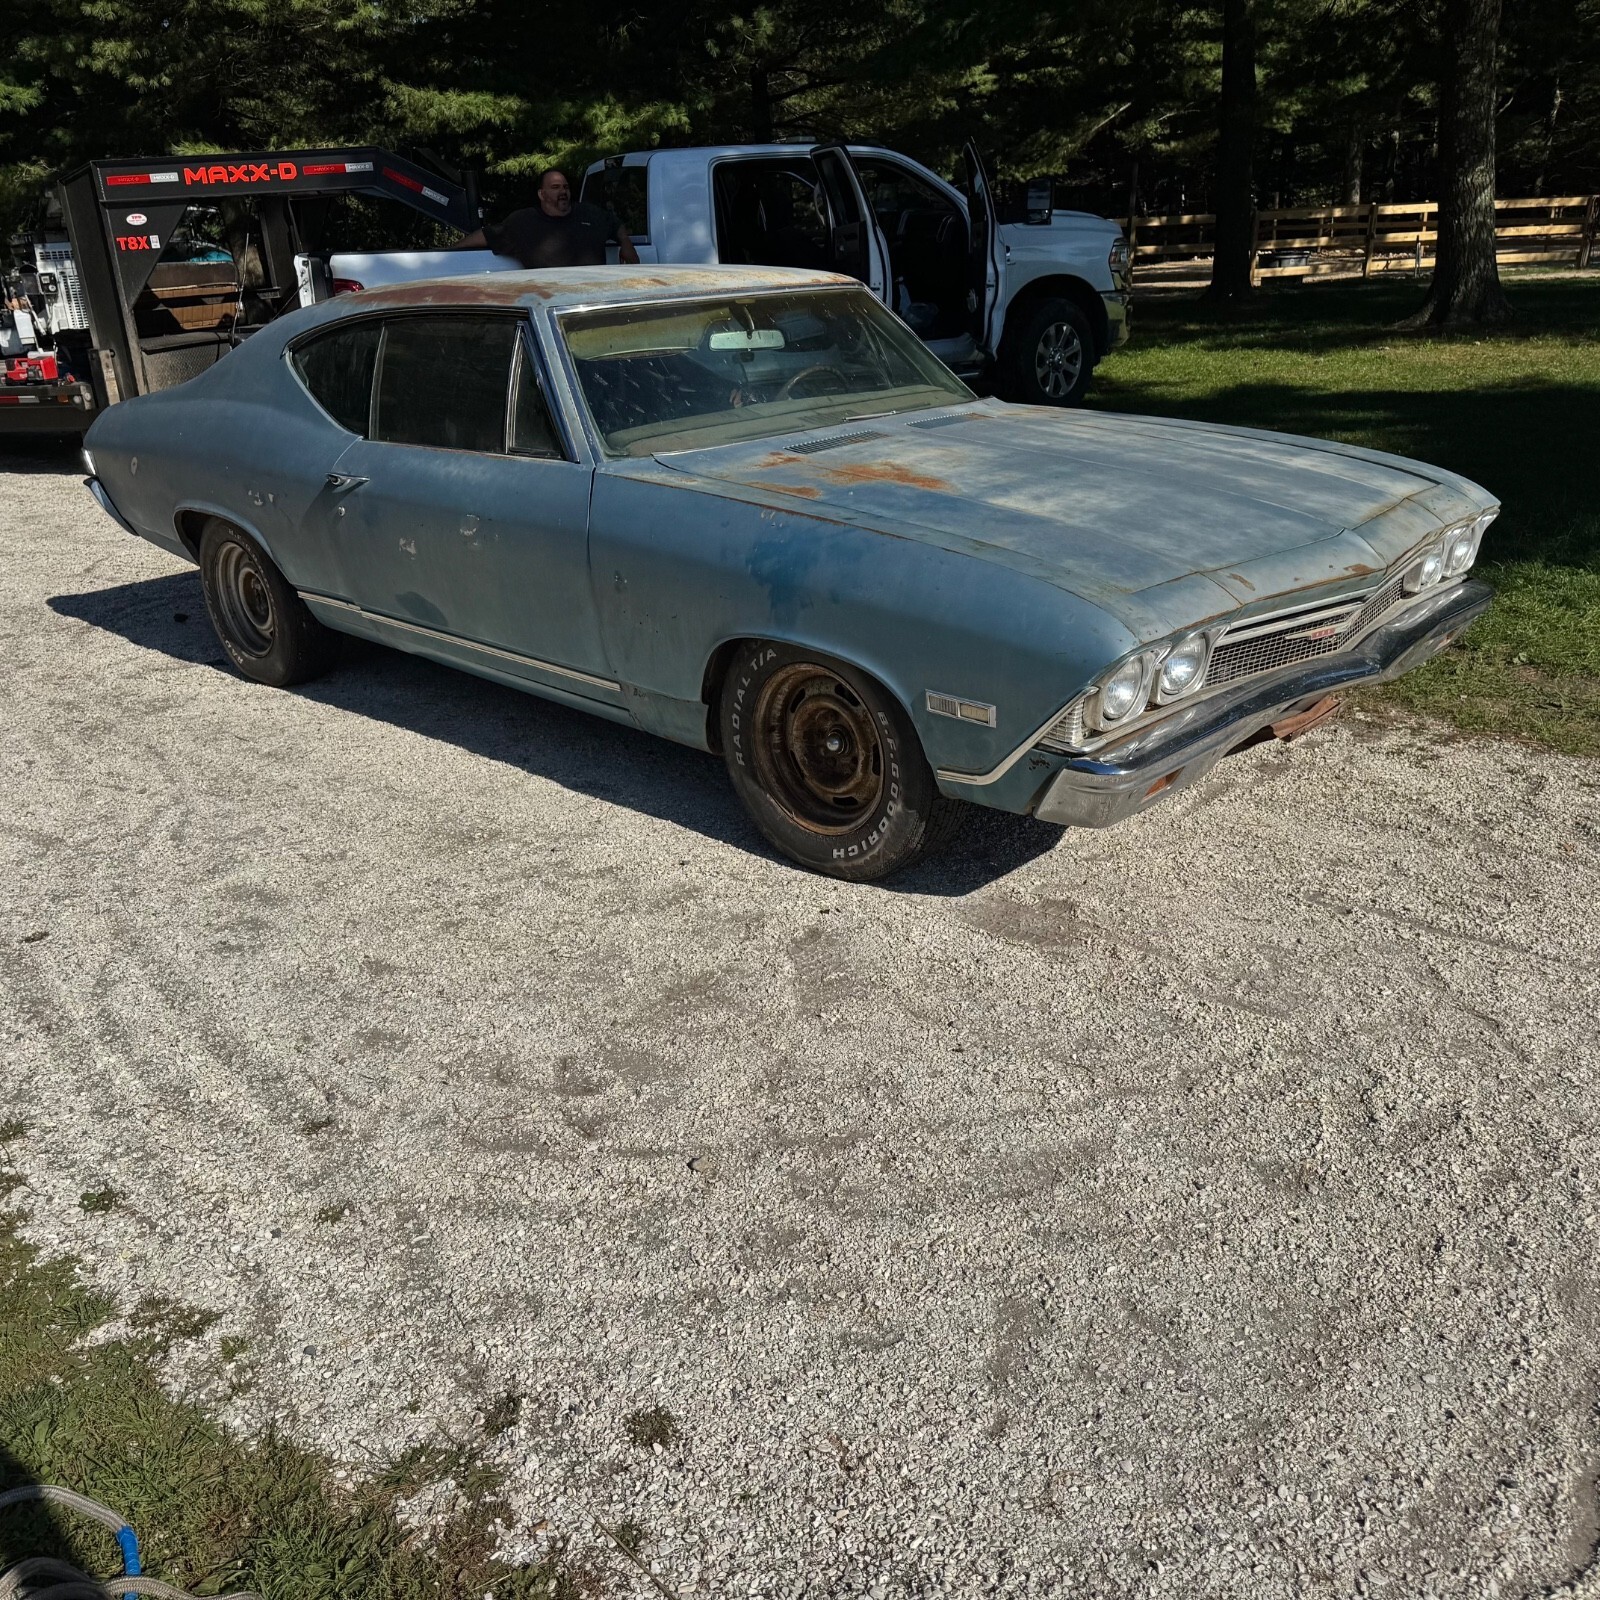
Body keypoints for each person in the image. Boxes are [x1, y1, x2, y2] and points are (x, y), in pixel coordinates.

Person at [457, 169, 640, 267]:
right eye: (555, 187)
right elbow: (486, 235)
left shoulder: (590, 214)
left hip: (591, 301)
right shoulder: (523, 222)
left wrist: (626, 244)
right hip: (550, 305)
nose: (563, 192)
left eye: (565, 187)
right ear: (542, 194)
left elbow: (616, 225)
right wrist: (449, 251)